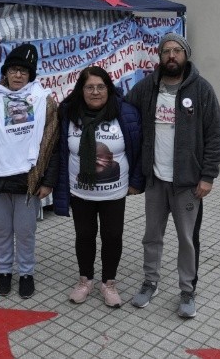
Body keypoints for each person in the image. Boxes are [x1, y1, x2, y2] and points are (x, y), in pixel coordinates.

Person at [124, 33, 220, 318]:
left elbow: (216, 135)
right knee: (151, 236)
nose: (171, 55)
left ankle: (187, 290)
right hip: (156, 180)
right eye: (166, 50)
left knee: (187, 239)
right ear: (159, 56)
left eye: (176, 50)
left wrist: (208, 176)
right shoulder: (147, 88)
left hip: (188, 184)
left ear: (186, 55)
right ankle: (150, 282)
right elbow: (124, 110)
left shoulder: (201, 90)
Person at [0, 44, 59, 299]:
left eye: (24, 71)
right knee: (2, 229)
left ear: (31, 75)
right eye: (14, 70)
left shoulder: (43, 101)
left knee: (26, 231)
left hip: (27, 182)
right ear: (6, 72)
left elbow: (52, 143)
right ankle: (5, 271)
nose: (18, 75)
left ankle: (26, 273)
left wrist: (48, 181)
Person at [53, 66, 144, 308]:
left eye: (101, 87)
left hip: (115, 192)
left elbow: (139, 148)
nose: (95, 92)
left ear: (109, 88)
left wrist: (136, 181)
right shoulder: (68, 113)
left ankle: (109, 283)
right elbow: (58, 151)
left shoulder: (125, 113)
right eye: (89, 87)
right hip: (80, 191)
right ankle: (85, 280)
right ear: (81, 90)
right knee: (84, 236)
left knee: (112, 236)